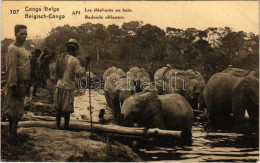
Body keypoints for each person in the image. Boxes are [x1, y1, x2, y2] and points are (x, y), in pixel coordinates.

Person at [54, 38, 90, 129]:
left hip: (59, 86)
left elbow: (54, 70)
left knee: (58, 108)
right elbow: (81, 73)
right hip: (68, 87)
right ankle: (66, 128)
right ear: (74, 50)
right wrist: (86, 64)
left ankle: (57, 126)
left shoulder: (60, 58)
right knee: (67, 110)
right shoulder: (74, 60)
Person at [3, 25, 31, 144]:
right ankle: (11, 136)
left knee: (19, 109)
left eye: (25, 34)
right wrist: (13, 85)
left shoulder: (23, 49)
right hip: (15, 83)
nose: (24, 36)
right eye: (21, 34)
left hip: (23, 83)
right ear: (16, 34)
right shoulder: (12, 48)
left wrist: (28, 84)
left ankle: (14, 134)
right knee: (12, 109)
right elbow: (12, 68)